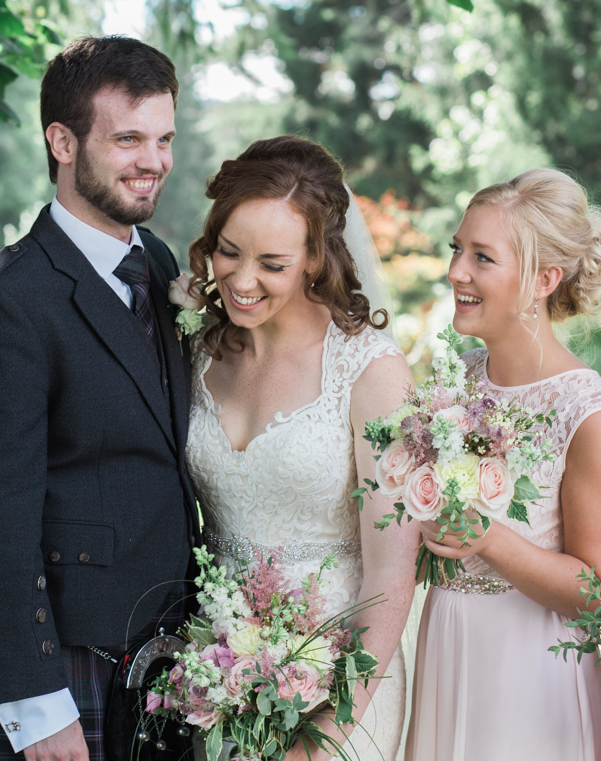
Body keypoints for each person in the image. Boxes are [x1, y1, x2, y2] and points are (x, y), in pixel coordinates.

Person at [0, 36, 196, 761]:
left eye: (164, 139)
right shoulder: (7, 302)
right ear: (62, 140)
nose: (153, 161)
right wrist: (36, 705)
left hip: (162, 659)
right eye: (128, 139)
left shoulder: (158, 266)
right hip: (59, 671)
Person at [183, 135, 419, 760]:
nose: (241, 279)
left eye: (272, 264)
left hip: (338, 679)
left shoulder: (369, 373)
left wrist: (329, 732)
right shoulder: (198, 354)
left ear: (316, 258)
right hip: (217, 670)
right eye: (228, 252)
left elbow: (394, 571)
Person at [405, 168, 601, 761]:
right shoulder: (454, 385)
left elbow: (599, 592)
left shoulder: (589, 414)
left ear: (543, 280)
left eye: (482, 257)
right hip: (448, 642)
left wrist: (486, 538)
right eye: (458, 249)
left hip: (532, 674)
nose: (457, 270)